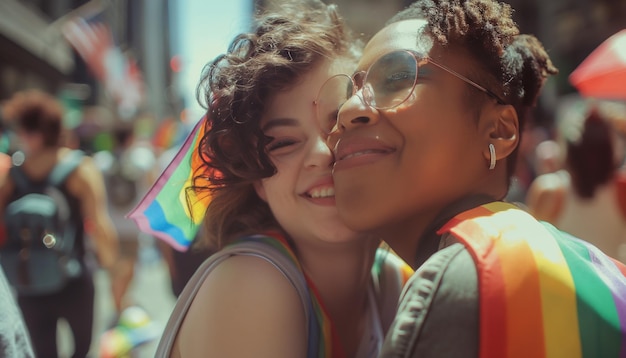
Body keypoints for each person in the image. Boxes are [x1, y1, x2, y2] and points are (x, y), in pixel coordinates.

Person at [324, 0, 626, 356]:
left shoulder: (468, 281)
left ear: (498, 131)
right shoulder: (589, 268)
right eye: (348, 95)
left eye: (398, 77)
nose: (347, 112)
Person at [156, 1, 412, 357]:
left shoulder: (398, 283)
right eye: (285, 143)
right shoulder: (251, 283)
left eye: (341, 122)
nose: (322, 153)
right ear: (257, 180)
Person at [0, 89, 123, 358]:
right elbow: (100, 225)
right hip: (75, 279)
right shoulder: (80, 169)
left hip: (27, 279)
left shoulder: (12, 174)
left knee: (42, 352)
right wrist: (113, 268)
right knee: (82, 350)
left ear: (31, 132)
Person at [526, 104, 626, 262]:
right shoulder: (621, 189)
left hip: (566, 286)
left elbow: (533, 251)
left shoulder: (549, 190)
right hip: (612, 285)